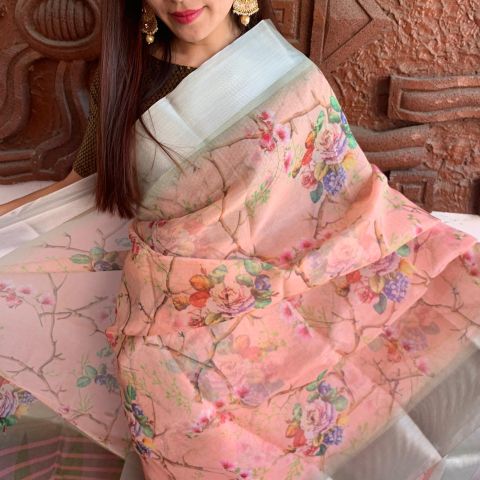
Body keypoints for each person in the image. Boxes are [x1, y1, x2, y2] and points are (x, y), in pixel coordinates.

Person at [1, 1, 479, 479]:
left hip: (280, 305)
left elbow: (346, 199)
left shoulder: (287, 77)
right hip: (173, 322)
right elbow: (82, 184)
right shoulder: (125, 80)